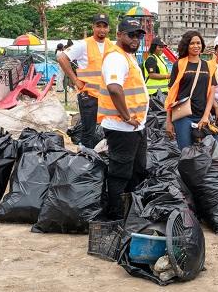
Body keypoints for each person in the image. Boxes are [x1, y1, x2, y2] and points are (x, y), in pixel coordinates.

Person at [97, 18, 149, 219]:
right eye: (131, 35)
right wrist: (127, 117)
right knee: (120, 173)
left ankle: (130, 212)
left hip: (134, 128)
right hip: (122, 128)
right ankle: (117, 215)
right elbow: (114, 88)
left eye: (138, 36)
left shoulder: (127, 56)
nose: (135, 39)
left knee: (136, 171)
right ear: (119, 35)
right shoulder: (116, 58)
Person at [57, 13, 113, 149]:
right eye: (98, 26)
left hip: (106, 97)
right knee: (89, 132)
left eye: (104, 26)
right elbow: (62, 57)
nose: (101, 29)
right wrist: (75, 80)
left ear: (108, 28)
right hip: (89, 96)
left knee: (109, 130)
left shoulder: (110, 45)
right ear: (93, 27)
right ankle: (85, 159)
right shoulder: (84, 44)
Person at [165, 31, 217, 150]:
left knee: (212, 150)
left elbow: (211, 93)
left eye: (198, 43)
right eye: (192, 43)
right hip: (183, 115)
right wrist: (168, 121)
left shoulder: (209, 66)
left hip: (202, 115)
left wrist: (206, 116)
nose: (196, 46)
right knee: (186, 152)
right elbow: (172, 94)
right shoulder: (179, 64)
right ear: (186, 46)